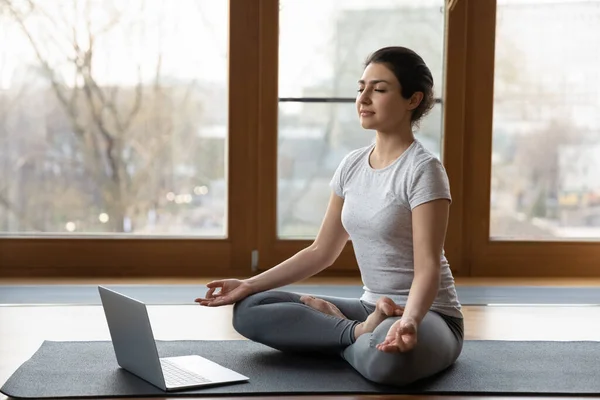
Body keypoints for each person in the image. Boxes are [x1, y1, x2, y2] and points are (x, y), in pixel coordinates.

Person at [195, 46, 464, 387]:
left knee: (387, 365)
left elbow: (427, 266)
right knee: (251, 308)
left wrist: (409, 320)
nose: (363, 98)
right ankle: (355, 333)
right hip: (371, 310)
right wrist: (247, 284)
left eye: (379, 90)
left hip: (430, 315)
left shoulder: (424, 169)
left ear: (413, 100)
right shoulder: (351, 165)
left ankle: (341, 336)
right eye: (360, 87)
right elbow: (321, 250)